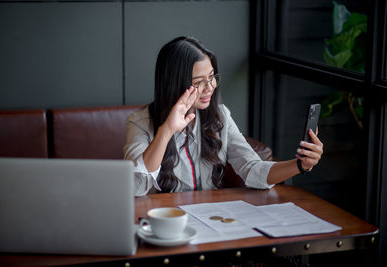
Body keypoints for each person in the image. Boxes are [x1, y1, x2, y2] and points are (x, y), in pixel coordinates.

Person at [124, 36, 323, 197]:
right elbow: (136, 185)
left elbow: (253, 169)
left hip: (211, 218)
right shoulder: (140, 123)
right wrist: (167, 130)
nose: (210, 87)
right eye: (199, 81)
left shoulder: (220, 116)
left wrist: (300, 165)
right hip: (166, 222)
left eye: (212, 77)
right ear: (175, 84)